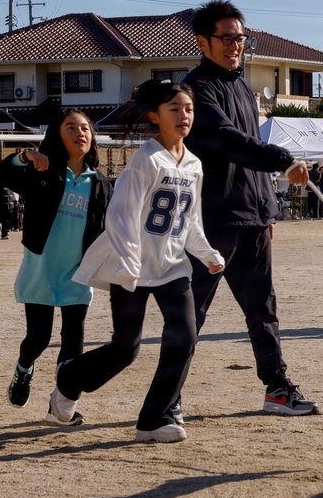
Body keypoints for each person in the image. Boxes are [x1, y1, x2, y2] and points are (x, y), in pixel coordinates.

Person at [52, 80, 225, 442]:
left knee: (185, 337)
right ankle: (69, 380)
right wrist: (129, 263)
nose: (183, 115)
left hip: (173, 267)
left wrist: (207, 253)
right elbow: (120, 217)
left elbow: (190, 220)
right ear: (154, 116)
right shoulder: (146, 160)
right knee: (124, 350)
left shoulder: (193, 163)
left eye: (188, 109)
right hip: (130, 267)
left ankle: (154, 419)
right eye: (174, 109)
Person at [183, 0, 318, 416]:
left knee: (263, 308)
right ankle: (168, 398)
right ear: (203, 42)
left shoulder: (243, 86)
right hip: (212, 221)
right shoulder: (196, 90)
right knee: (190, 314)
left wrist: (267, 210)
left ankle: (277, 387)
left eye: (241, 37)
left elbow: (249, 147)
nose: (235, 45)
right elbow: (226, 140)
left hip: (253, 219)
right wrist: (284, 159)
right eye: (226, 38)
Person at [0, 109, 113, 408]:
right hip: (41, 272)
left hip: (78, 274)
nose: (80, 133)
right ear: (56, 135)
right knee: (38, 339)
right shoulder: (43, 173)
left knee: (73, 344)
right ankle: (24, 369)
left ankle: (62, 403)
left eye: (86, 128)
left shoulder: (100, 183)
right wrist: (23, 156)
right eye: (71, 127)